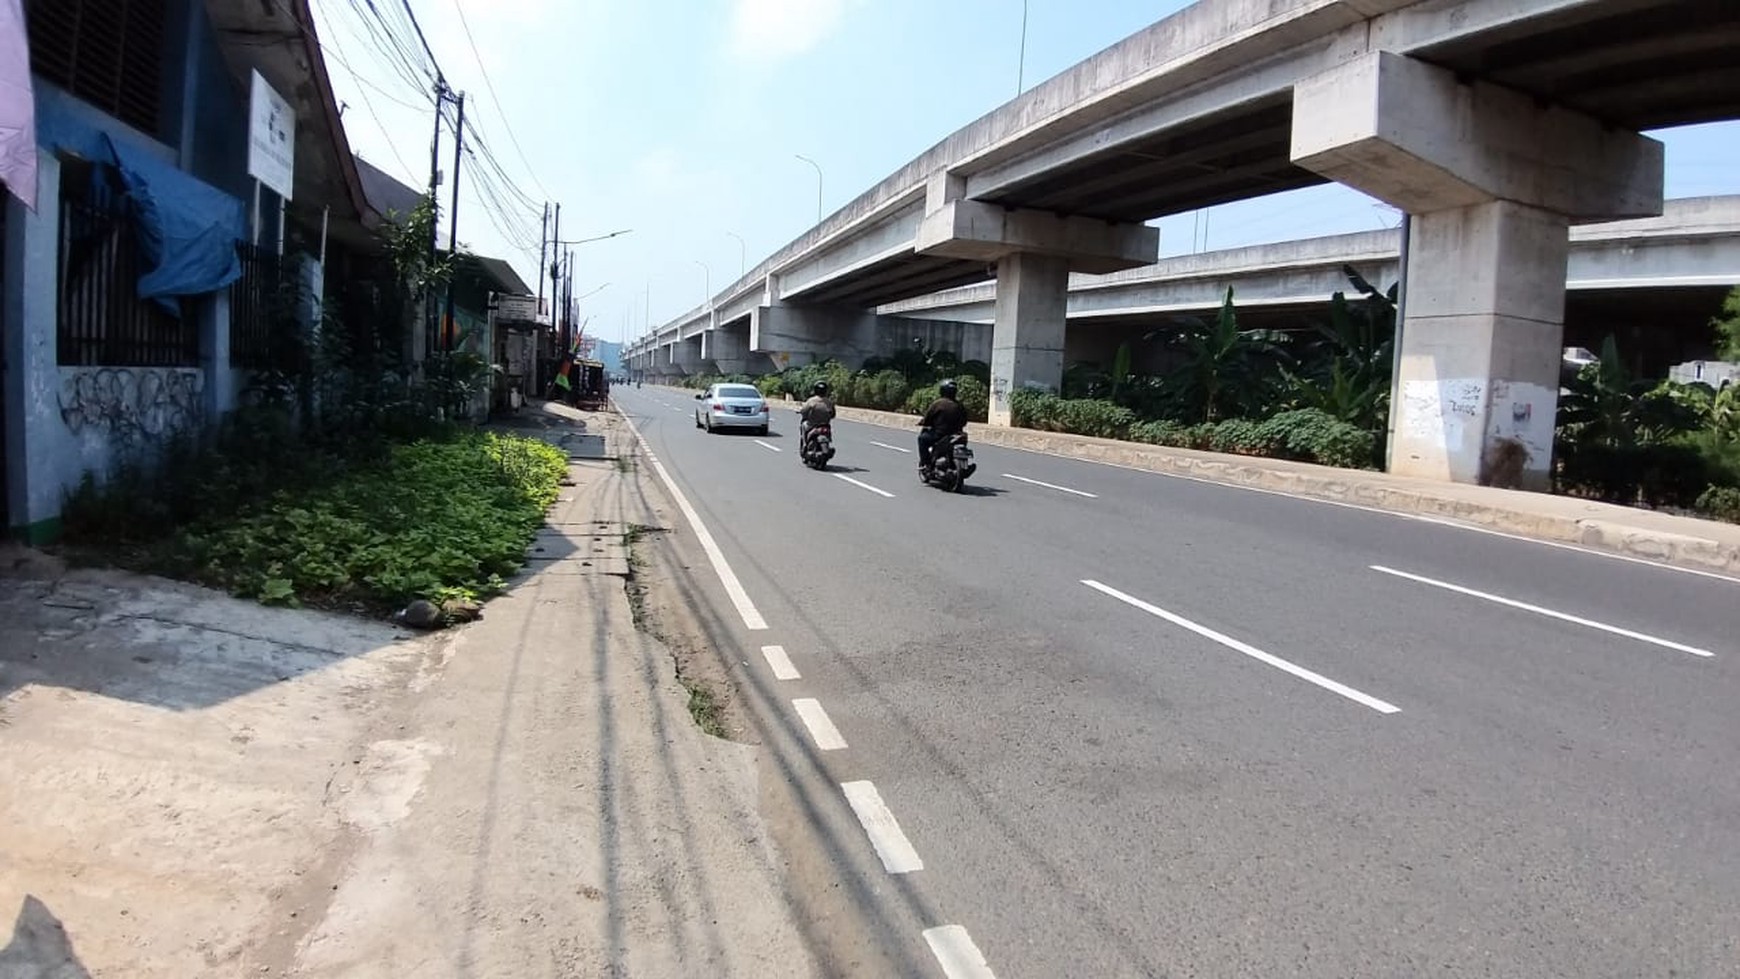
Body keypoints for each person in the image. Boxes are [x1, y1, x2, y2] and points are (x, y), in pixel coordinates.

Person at [917, 379, 968, 473]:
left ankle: (926, 464)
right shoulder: (960, 406)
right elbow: (964, 421)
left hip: (940, 435)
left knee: (922, 439)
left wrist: (923, 422)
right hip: (957, 435)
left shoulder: (938, 403)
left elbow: (928, 418)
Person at [799, 382, 836, 448]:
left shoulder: (811, 400)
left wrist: (802, 412)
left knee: (803, 425)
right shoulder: (829, 402)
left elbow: (804, 410)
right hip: (825, 425)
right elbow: (833, 414)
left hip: (812, 424)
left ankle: (804, 444)